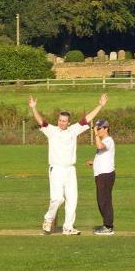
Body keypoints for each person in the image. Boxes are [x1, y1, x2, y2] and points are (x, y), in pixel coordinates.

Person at [29, 93, 107, 235]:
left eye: (64, 121)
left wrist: (100, 106)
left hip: (70, 170)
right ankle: (48, 219)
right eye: (60, 120)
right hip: (56, 169)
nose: (61, 123)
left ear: (68, 122)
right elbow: (41, 122)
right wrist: (34, 108)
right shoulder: (51, 130)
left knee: (72, 200)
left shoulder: (73, 130)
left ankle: (68, 227)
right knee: (57, 198)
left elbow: (87, 119)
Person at [87, 118, 116, 235]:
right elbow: (104, 156)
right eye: (96, 129)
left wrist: (95, 135)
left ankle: (108, 227)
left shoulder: (108, 140)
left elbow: (100, 147)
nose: (97, 131)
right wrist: (94, 162)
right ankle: (106, 225)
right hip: (101, 176)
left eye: (99, 128)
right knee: (101, 200)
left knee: (105, 201)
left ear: (106, 128)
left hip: (106, 175)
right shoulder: (104, 140)